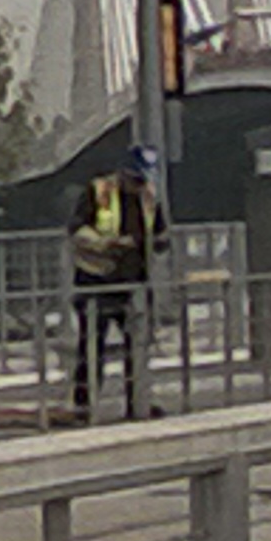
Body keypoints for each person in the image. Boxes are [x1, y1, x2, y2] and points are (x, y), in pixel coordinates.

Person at [70, 141, 166, 419]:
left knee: (136, 344)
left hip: (133, 281)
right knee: (91, 345)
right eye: (136, 180)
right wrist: (108, 243)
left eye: (143, 181)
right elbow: (76, 230)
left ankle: (138, 402)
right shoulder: (98, 191)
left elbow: (159, 230)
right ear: (123, 174)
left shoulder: (148, 196)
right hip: (96, 279)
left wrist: (157, 243)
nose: (139, 186)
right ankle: (83, 406)